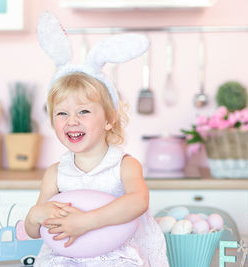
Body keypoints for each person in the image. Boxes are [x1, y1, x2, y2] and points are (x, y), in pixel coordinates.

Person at [24, 12, 168, 267]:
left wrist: (85, 222)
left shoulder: (125, 165)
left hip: (115, 257)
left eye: (84, 111)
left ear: (109, 119)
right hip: (65, 257)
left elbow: (138, 201)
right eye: (62, 113)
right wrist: (35, 215)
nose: (72, 121)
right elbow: (34, 230)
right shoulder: (55, 174)